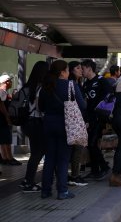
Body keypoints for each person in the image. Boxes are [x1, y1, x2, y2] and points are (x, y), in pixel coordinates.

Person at [38, 60, 86, 200]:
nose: (68, 72)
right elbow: (82, 105)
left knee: (50, 158)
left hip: (48, 124)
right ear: (62, 72)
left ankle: (45, 190)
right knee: (63, 159)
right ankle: (62, 191)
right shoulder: (70, 85)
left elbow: (41, 107)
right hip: (66, 125)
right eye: (67, 70)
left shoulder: (45, 87)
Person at [19, 61, 49, 193]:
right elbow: (40, 108)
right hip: (37, 123)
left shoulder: (27, 86)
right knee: (38, 153)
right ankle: (29, 182)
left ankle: (27, 181)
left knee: (35, 152)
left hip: (27, 123)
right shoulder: (41, 88)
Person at [81, 59, 111, 181]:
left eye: (83, 68)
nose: (82, 71)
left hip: (99, 118)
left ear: (89, 68)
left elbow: (110, 98)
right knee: (90, 145)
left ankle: (104, 167)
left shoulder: (102, 81)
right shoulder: (86, 84)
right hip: (89, 119)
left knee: (93, 144)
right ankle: (95, 170)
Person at [67, 61, 88, 187]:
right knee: (77, 148)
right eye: (78, 68)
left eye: (81, 68)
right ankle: (75, 175)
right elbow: (82, 104)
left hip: (71, 121)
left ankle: (71, 175)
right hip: (76, 121)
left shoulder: (76, 83)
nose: (81, 70)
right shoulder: (73, 84)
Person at [0, 73, 22, 166]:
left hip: (3, 119)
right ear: (6, 82)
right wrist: (7, 116)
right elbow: (1, 106)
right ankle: (8, 158)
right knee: (6, 139)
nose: (11, 82)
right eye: (10, 81)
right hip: (2, 120)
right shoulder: (2, 92)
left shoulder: (4, 92)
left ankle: (6, 157)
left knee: (4, 139)